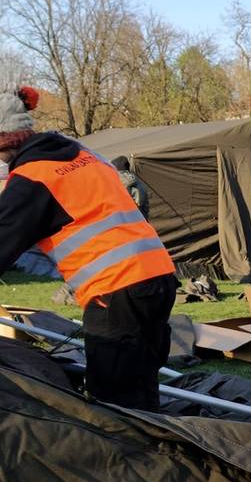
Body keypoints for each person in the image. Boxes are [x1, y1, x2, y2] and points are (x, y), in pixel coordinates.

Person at [0, 86, 177, 410]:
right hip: (159, 277)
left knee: (113, 399)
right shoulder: (82, 155)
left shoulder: (32, 177)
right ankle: (153, 454)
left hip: (115, 289)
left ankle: (128, 457)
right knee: (142, 386)